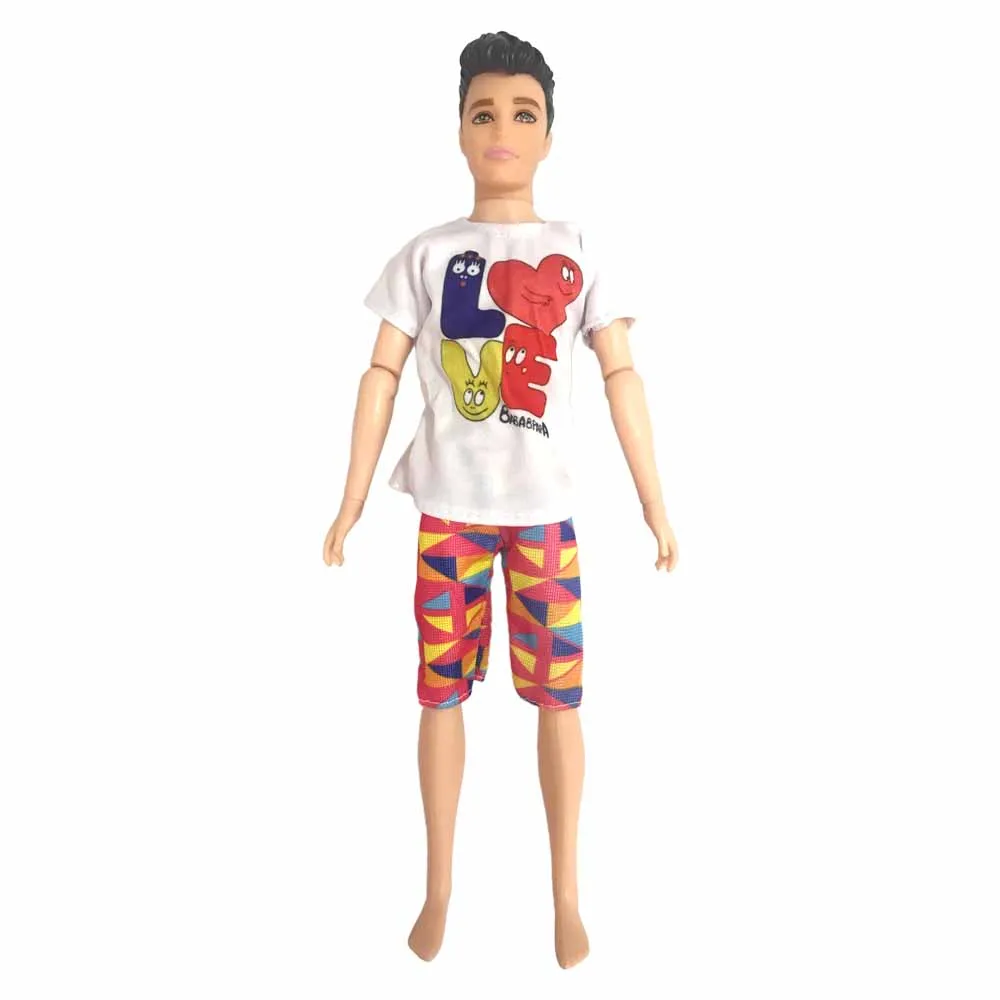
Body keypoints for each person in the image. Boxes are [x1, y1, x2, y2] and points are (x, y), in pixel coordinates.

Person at [322, 29, 678, 969]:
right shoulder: (429, 254)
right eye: (484, 112)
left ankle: (567, 895)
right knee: (440, 693)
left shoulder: (579, 250)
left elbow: (624, 377)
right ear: (458, 130)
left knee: (559, 698)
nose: (503, 130)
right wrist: (352, 500)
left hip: (544, 518)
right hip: (447, 513)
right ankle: (438, 886)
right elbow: (378, 377)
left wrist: (654, 502)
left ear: (550, 135)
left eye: (524, 114)